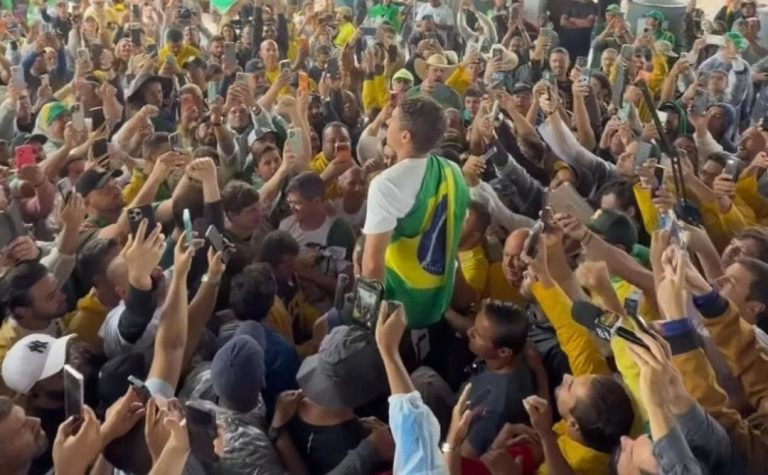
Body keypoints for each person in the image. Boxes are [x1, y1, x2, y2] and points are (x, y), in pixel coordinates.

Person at [363, 96, 469, 328]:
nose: (386, 124)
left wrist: (366, 320)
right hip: (439, 298)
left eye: (391, 121)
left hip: (401, 305)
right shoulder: (453, 171)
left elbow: (372, 264)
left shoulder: (387, 184)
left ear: (405, 136)